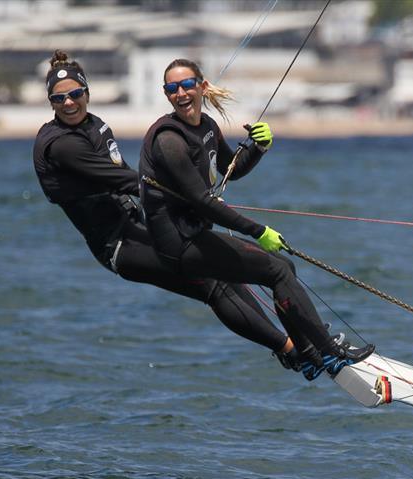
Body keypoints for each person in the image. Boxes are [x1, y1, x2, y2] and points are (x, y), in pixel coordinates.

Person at [33, 49, 309, 374]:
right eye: (59, 99)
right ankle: (293, 351)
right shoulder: (61, 146)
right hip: (119, 246)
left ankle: (304, 342)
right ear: (50, 103)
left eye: (75, 94)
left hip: (144, 226)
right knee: (213, 284)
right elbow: (129, 181)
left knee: (228, 270)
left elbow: (221, 167)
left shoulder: (95, 125)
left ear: (87, 93)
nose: (68, 103)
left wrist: (255, 149)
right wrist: (193, 197)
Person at [138, 58, 374, 378]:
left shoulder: (206, 126)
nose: (180, 93)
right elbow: (201, 200)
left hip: (194, 234)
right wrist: (257, 230)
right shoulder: (170, 139)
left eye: (186, 85)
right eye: (171, 88)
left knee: (282, 269)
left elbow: (229, 169)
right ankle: (329, 353)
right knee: (277, 271)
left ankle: (307, 353)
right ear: (166, 94)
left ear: (202, 87)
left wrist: (258, 147)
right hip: (177, 243)